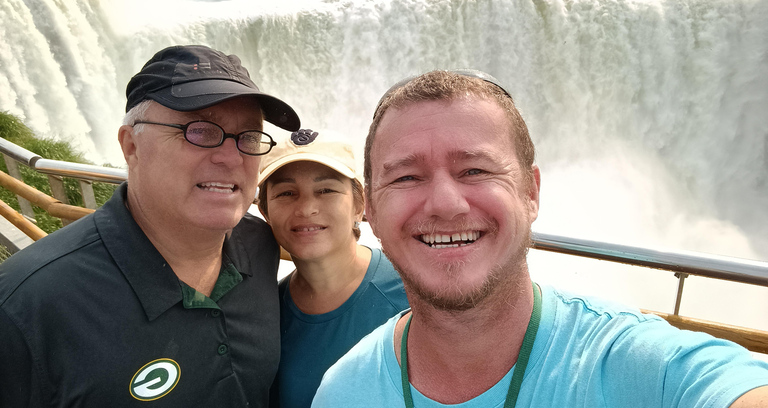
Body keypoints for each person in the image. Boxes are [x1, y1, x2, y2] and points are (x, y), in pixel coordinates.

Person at [312, 70, 768, 408]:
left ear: (530, 193)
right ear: (369, 209)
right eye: (407, 176)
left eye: (475, 169)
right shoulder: (341, 393)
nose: (445, 203)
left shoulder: (639, 367)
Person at [0, 45, 300, 407]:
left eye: (249, 137)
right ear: (131, 147)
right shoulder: (26, 307)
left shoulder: (260, 245)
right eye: (200, 130)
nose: (231, 157)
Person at [255, 128, 409, 408]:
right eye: (286, 193)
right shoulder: (264, 312)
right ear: (264, 211)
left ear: (359, 205)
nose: (306, 208)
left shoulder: (412, 290)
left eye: (326, 190)